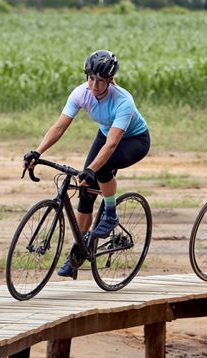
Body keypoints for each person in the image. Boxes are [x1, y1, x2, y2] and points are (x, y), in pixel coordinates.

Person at [24, 50, 150, 278]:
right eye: (91, 78)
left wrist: (92, 169)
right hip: (106, 133)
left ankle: (110, 214)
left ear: (110, 80)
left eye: (100, 80)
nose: (94, 85)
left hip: (134, 140)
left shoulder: (123, 101)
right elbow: (60, 126)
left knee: (100, 170)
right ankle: (78, 252)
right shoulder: (81, 93)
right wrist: (37, 152)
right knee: (85, 191)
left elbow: (112, 145)